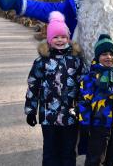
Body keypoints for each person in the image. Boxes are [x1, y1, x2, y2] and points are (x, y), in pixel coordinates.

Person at [24, 11, 85, 166]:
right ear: (50, 39)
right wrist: (31, 110)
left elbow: (83, 86)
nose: (60, 40)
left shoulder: (76, 61)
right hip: (49, 117)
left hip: (70, 116)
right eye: (56, 37)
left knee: (68, 151)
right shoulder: (41, 62)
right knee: (50, 152)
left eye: (63, 36)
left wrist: (83, 109)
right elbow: (33, 86)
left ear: (68, 38)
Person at [78, 34, 113, 166]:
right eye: (104, 54)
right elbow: (84, 102)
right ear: (98, 56)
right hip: (97, 124)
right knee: (96, 157)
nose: (108, 57)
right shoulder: (90, 78)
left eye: (111, 54)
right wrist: (84, 123)